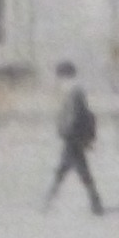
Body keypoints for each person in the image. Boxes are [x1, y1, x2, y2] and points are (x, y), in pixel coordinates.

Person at [43, 61, 105, 216]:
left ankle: (48, 200)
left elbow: (73, 116)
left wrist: (65, 131)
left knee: (68, 171)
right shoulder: (75, 91)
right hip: (74, 138)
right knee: (73, 171)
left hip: (72, 138)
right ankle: (95, 203)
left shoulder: (73, 92)